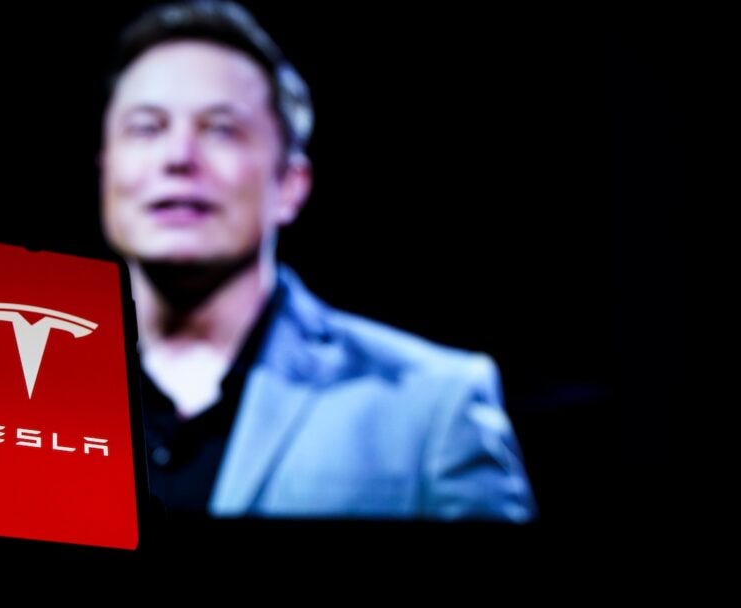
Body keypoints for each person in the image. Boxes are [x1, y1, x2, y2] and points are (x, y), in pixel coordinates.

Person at [99, 0, 537, 521]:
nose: (178, 158)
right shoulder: (27, 395)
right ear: (106, 170)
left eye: (221, 129)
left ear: (289, 184)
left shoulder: (434, 405)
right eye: (146, 128)